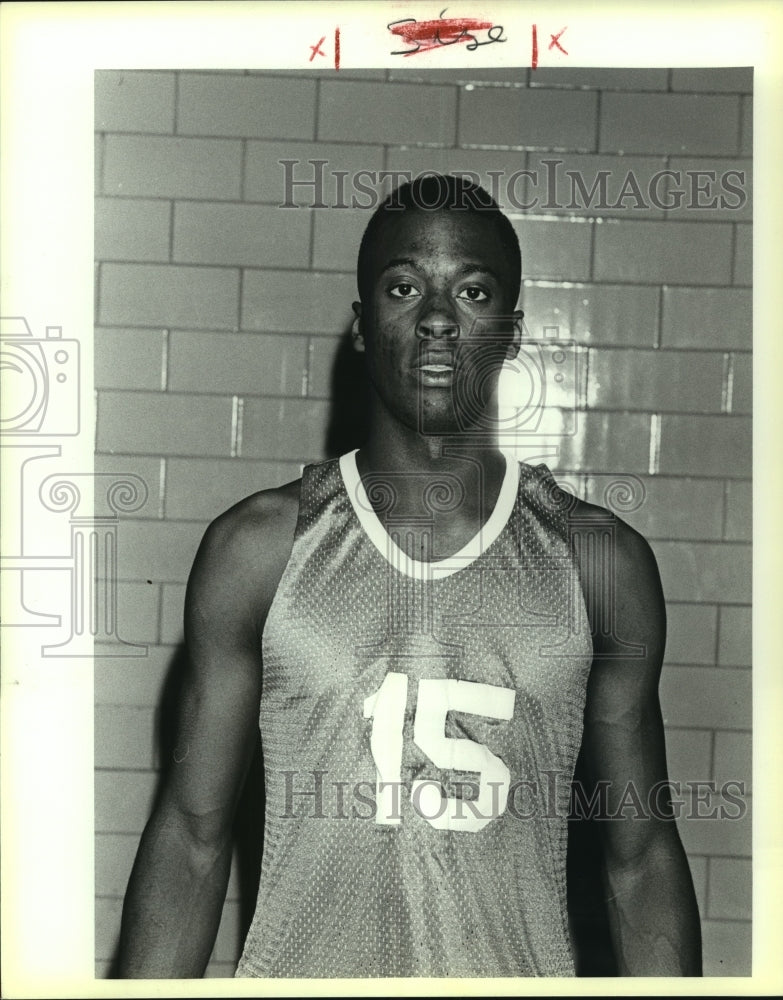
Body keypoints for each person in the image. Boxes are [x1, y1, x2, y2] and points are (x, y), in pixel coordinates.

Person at [117, 174, 702, 978]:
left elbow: (638, 861)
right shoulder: (257, 549)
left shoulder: (599, 562)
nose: (435, 317)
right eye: (404, 286)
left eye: (471, 290)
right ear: (362, 327)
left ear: (510, 331)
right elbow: (189, 837)